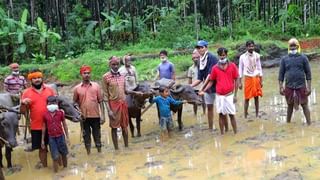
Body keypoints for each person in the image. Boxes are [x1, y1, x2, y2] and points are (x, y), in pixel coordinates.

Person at [102, 56, 141, 150]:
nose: (115, 66)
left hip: (123, 103)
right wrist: (109, 110)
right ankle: (116, 149)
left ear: (119, 64)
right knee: (114, 127)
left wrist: (135, 92)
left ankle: (126, 146)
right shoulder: (105, 77)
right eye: (113, 64)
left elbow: (126, 90)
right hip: (113, 105)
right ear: (109, 65)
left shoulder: (122, 76)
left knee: (124, 126)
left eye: (117, 64)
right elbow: (105, 95)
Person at [21, 69, 56, 168]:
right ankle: (45, 168)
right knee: (42, 148)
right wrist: (23, 103)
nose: (37, 80)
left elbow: (56, 105)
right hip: (36, 126)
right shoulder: (26, 93)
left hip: (52, 124)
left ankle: (57, 168)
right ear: (30, 80)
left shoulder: (49, 90)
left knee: (55, 146)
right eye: (34, 78)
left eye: (39, 77)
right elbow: (23, 112)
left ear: (42, 78)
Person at [199, 47, 239, 134]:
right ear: (218, 56)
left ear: (226, 55)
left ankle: (235, 133)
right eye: (220, 56)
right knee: (221, 114)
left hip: (229, 95)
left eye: (223, 55)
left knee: (232, 115)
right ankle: (222, 134)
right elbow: (211, 81)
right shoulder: (215, 68)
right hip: (219, 96)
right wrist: (204, 90)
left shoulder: (232, 66)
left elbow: (237, 79)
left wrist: (235, 95)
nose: (222, 57)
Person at [278, 38, 312, 125]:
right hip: (289, 86)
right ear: (289, 47)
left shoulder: (303, 58)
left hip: (301, 86)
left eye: (294, 46)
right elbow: (281, 74)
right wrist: (281, 87)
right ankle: (288, 123)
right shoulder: (284, 59)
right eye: (291, 46)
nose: (293, 48)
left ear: (298, 46)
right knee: (289, 105)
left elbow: (308, 73)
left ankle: (309, 123)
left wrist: (309, 87)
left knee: (304, 105)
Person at [73, 65, 105, 155]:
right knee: (86, 136)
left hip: (96, 116)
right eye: (85, 73)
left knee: (97, 135)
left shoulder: (96, 86)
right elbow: (74, 102)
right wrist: (78, 111)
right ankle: (89, 153)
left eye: (88, 73)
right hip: (83, 117)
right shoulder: (77, 88)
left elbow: (101, 101)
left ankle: (99, 152)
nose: (87, 75)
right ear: (81, 74)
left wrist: (103, 115)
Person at [191, 40, 218, 130]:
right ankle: (211, 128)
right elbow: (199, 78)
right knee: (209, 108)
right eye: (198, 48)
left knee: (221, 109)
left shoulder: (212, 58)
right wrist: (190, 86)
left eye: (201, 47)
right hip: (208, 88)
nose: (199, 49)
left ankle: (224, 128)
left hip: (217, 86)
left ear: (206, 47)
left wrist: (202, 89)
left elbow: (210, 76)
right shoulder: (200, 61)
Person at [41, 96, 69, 172]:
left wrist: (67, 137)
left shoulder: (60, 113)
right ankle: (56, 173)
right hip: (51, 138)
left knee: (64, 154)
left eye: (53, 102)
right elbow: (43, 127)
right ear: (47, 104)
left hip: (61, 136)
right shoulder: (45, 115)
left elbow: (65, 125)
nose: (52, 104)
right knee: (55, 157)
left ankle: (65, 169)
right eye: (50, 103)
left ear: (56, 103)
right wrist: (42, 140)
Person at [238, 40, 263, 118]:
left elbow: (260, 68)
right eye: (249, 46)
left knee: (256, 97)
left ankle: (257, 113)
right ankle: (245, 114)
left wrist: (261, 80)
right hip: (248, 78)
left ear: (254, 46)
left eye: (252, 46)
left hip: (256, 77)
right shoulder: (242, 57)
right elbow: (240, 70)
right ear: (247, 47)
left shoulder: (257, 56)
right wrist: (240, 82)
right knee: (247, 98)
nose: (251, 47)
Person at [187, 49, 205, 115]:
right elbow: (189, 80)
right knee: (195, 102)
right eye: (194, 58)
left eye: (197, 57)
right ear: (192, 59)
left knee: (204, 102)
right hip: (194, 88)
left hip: (202, 87)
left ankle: (204, 113)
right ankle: (195, 114)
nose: (195, 59)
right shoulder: (191, 68)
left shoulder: (203, 67)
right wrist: (189, 89)